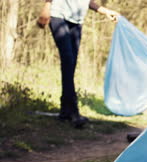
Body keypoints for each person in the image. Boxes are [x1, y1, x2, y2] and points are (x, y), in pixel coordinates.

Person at [37, 0, 119, 128]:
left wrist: (105, 11)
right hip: (58, 15)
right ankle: (74, 112)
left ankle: (65, 111)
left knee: (70, 65)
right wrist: (47, 8)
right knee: (68, 60)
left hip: (77, 21)